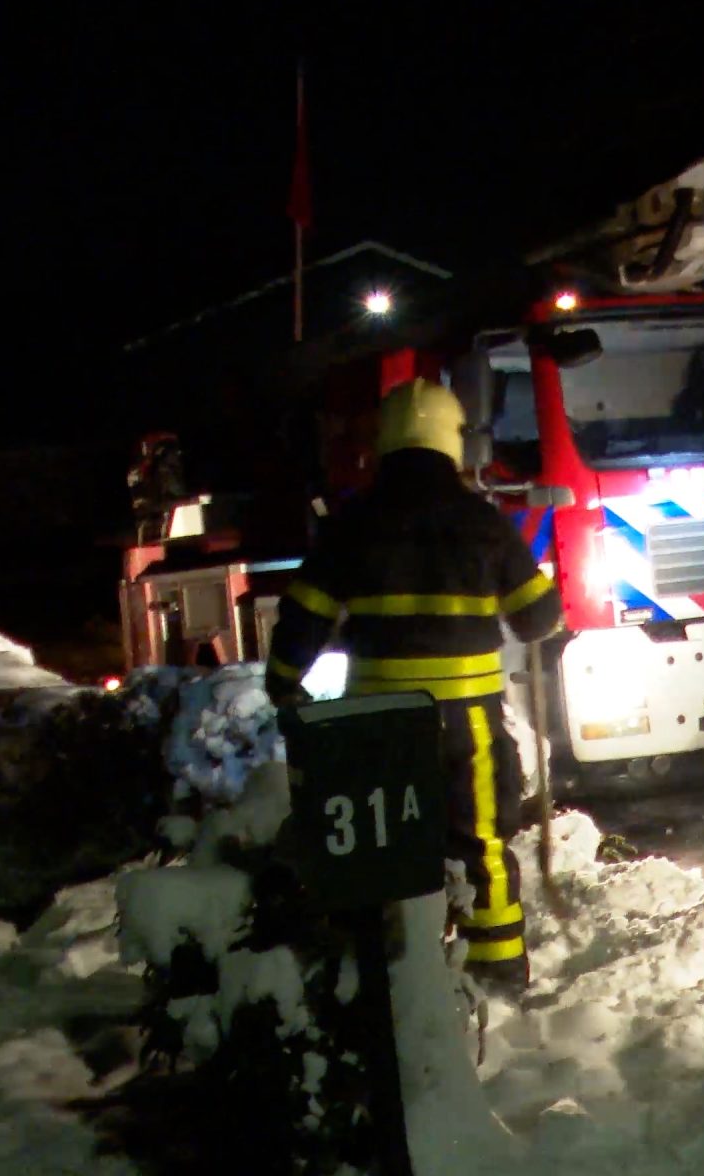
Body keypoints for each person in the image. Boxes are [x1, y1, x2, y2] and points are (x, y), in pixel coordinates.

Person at [264, 379, 562, 993]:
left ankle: (396, 972)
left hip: (380, 727)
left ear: (385, 444)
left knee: (384, 848)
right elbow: (539, 617)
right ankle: (499, 969)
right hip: (469, 725)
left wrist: (284, 683)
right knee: (483, 843)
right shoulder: (483, 524)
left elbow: (302, 617)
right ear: (451, 443)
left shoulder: (353, 523)